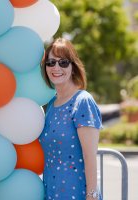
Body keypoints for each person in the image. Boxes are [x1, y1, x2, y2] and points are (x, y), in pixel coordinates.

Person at [39, 38, 102, 200]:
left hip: (77, 194)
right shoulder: (52, 104)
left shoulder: (83, 101)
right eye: (51, 62)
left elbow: (90, 157)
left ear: (73, 67)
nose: (56, 68)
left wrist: (92, 196)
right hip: (52, 193)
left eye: (63, 62)